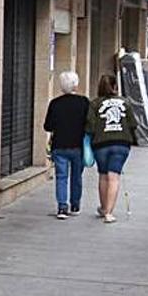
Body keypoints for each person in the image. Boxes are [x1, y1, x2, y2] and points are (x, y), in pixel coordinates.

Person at [86, 74, 138, 224]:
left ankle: (103, 208)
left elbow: (90, 127)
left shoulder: (94, 104)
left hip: (101, 144)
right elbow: (133, 124)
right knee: (114, 176)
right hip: (121, 143)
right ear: (115, 86)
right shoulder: (125, 102)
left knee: (103, 175)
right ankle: (109, 212)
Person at [42, 71, 90, 220]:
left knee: (61, 176)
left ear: (61, 86)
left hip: (60, 145)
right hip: (78, 145)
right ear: (76, 85)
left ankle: (62, 207)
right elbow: (89, 124)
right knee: (77, 176)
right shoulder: (84, 102)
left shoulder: (55, 103)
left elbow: (47, 126)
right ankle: (75, 204)